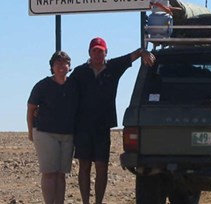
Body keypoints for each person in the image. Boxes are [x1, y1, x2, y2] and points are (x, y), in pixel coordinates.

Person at [70, 37, 156, 204]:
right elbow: (65, 90)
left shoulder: (113, 67)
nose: (97, 54)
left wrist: (144, 52)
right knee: (84, 166)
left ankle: (99, 202)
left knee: (102, 167)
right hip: (83, 126)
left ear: (106, 52)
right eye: (94, 50)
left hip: (103, 126)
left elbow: (133, 55)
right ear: (89, 53)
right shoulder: (79, 73)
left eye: (100, 51)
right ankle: (85, 201)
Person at [27, 51, 78, 204]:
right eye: (58, 64)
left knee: (61, 174)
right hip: (45, 132)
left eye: (65, 64)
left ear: (69, 66)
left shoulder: (74, 85)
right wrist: (30, 131)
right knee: (49, 172)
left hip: (67, 134)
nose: (62, 67)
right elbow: (31, 108)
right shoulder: (42, 85)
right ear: (52, 67)